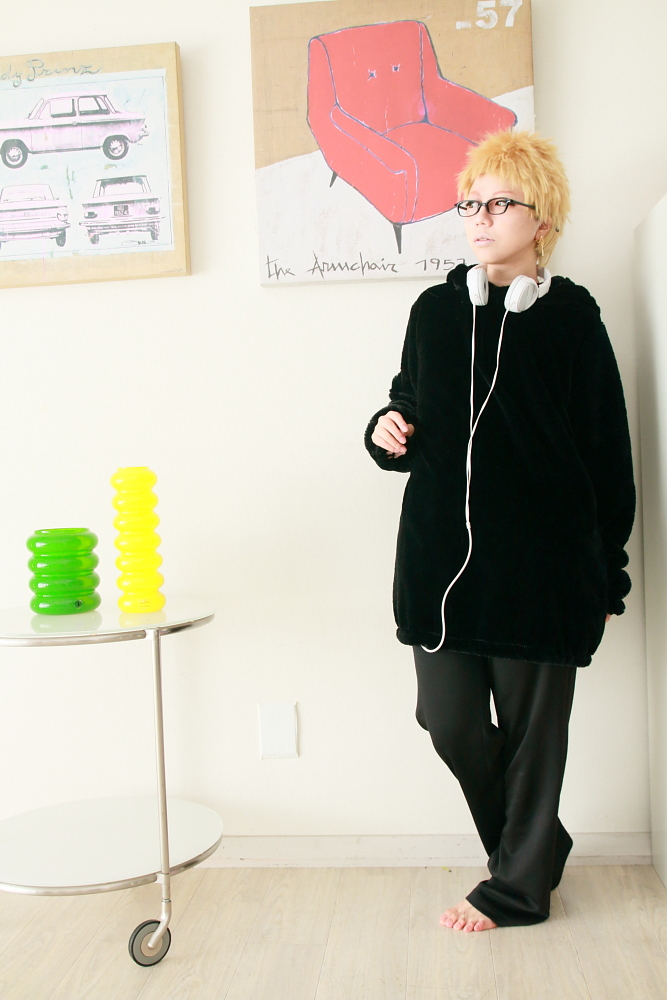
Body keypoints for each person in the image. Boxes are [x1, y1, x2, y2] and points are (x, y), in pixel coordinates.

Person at [364, 130, 636, 931]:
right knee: (446, 722)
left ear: (540, 219)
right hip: (439, 569)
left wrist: (606, 575)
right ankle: (536, 847)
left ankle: (517, 890)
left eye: (498, 203)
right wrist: (386, 429)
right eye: (469, 204)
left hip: (542, 572)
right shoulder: (434, 312)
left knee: (531, 738)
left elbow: (606, 454)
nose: (478, 218)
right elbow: (407, 405)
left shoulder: (572, 320)